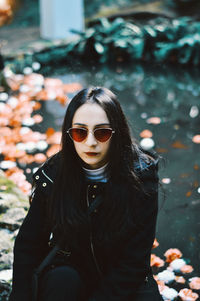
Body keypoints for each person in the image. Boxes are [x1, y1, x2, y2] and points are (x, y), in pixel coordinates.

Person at [9, 86, 163, 301]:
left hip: (124, 279)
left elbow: (135, 260)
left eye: (102, 132)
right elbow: (29, 244)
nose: (91, 142)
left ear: (116, 132)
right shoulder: (54, 175)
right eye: (80, 132)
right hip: (72, 274)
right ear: (69, 133)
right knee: (62, 279)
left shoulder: (141, 178)